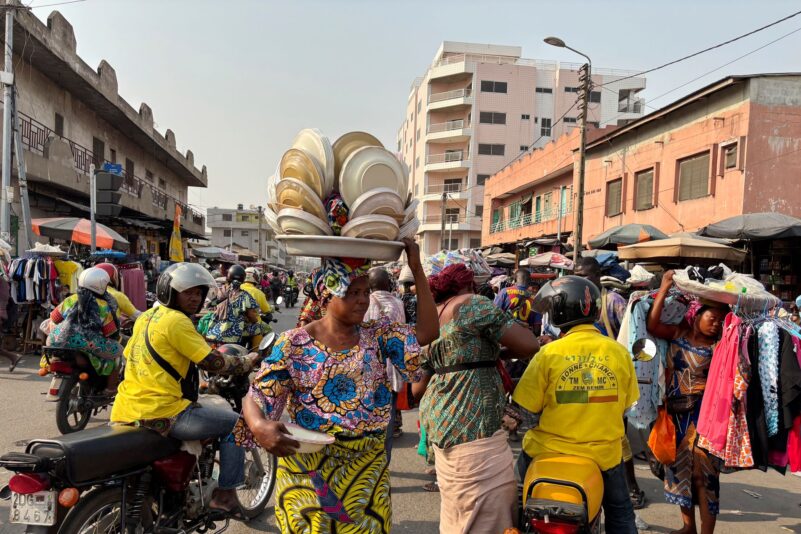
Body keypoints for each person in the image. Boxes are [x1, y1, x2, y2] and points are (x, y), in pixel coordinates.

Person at [240, 239, 438, 532]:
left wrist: (417, 269)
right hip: (309, 475)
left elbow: (427, 331)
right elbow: (258, 393)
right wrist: (258, 425)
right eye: (351, 292)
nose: (362, 300)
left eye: (365, 292)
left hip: (366, 476)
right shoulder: (295, 343)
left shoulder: (377, 335)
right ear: (326, 295)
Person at [111, 263, 258, 518]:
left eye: (199, 293)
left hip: (126, 408)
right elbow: (212, 362)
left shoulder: (146, 317)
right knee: (237, 423)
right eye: (188, 292)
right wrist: (247, 362)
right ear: (170, 291)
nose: (195, 298)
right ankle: (226, 496)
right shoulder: (177, 321)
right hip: (165, 411)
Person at [413, 263, 540, 533]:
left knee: (458, 509)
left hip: (439, 422)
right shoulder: (474, 305)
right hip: (474, 425)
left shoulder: (431, 316)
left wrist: (488, 355)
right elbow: (529, 344)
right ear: (469, 285)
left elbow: (416, 389)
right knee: (487, 513)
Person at [513, 275, 639, 534]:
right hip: (604, 457)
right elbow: (626, 404)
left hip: (545, 452)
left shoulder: (548, 354)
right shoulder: (619, 353)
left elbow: (525, 410)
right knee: (621, 513)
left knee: (512, 501)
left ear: (559, 311)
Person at [647, 270, 727, 534]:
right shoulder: (679, 335)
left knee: (704, 477)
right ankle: (687, 527)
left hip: (704, 419)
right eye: (711, 318)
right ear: (697, 316)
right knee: (681, 473)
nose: (715, 324)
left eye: (720, 320)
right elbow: (652, 325)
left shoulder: (720, 347)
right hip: (675, 417)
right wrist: (664, 287)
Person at [574, 256, 646, 509]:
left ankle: (631, 486)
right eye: (577, 275)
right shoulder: (572, 301)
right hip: (579, 379)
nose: (582, 281)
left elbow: (632, 335)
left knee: (618, 438)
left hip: (610, 380)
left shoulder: (612, 301)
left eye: (587, 276)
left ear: (597, 276)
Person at [47, 267, 124, 391]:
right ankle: (110, 388)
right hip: (87, 343)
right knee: (119, 351)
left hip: (56, 339)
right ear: (102, 285)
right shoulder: (104, 305)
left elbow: (54, 318)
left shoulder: (70, 299)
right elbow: (110, 332)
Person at [365, 267, 407, 454]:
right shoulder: (399, 303)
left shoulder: (363, 302)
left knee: (366, 423)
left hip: (367, 371)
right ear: (388, 284)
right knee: (387, 426)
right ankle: (383, 471)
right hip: (392, 372)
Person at [206, 265, 269, 348]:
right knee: (258, 327)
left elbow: (209, 305)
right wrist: (255, 321)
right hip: (233, 337)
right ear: (243, 279)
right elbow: (251, 315)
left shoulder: (220, 291)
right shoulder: (244, 295)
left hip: (214, 333)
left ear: (228, 277)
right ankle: (256, 353)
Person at [494, 268, 541, 334]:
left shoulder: (504, 292)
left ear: (515, 279)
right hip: (524, 338)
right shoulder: (535, 299)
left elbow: (494, 315)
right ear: (529, 281)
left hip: (506, 335)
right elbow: (537, 328)